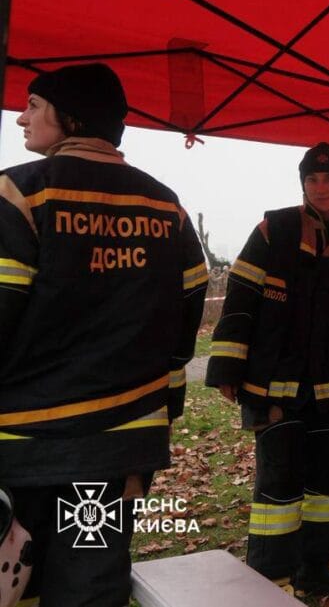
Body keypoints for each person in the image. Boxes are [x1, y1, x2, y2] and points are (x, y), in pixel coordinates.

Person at [0, 62, 208, 606]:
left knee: (12, 581)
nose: (21, 118)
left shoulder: (19, 193)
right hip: (116, 450)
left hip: (22, 450)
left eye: (33, 105)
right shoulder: (165, 205)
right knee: (87, 586)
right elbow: (187, 318)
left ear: (71, 117)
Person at [205, 142, 329, 597]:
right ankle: (271, 583)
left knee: (328, 486)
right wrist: (227, 368)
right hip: (274, 386)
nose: (320, 187)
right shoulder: (273, 229)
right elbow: (240, 300)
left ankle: (318, 570)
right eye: (312, 179)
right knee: (278, 489)